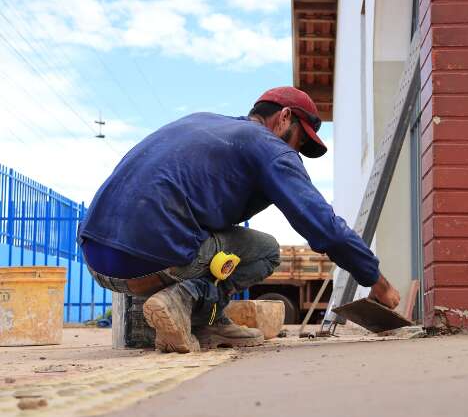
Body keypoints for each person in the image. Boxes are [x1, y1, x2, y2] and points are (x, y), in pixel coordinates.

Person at [78, 86, 401, 353]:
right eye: (298, 141)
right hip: (149, 258)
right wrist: (376, 280)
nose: (296, 152)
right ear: (283, 117)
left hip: (97, 258)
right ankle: (194, 310)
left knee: (212, 233)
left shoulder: (201, 121)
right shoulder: (268, 147)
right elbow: (324, 228)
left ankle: (184, 319)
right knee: (265, 250)